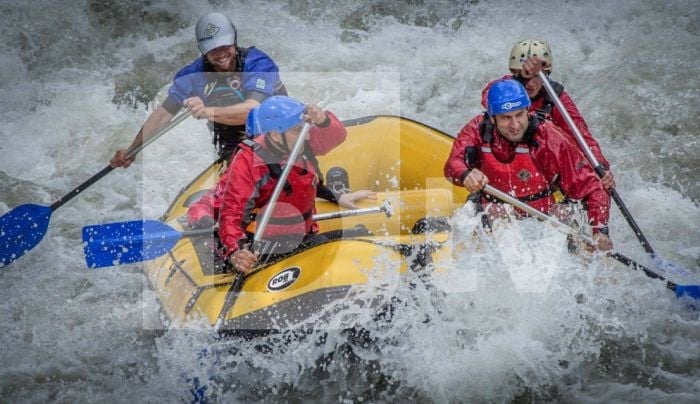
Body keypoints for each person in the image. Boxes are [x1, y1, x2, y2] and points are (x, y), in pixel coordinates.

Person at [445, 79, 613, 251]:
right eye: (506, 118)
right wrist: (466, 174)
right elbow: (452, 164)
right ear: (493, 118)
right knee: (463, 227)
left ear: (528, 110)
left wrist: (600, 230)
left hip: (545, 217)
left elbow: (593, 187)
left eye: (519, 115)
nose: (515, 125)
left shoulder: (550, 138)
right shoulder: (478, 129)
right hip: (494, 211)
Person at [110, 11, 286, 167]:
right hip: (233, 150)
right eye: (213, 50)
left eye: (225, 46)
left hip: (278, 141)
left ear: (234, 39)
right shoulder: (192, 76)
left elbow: (253, 110)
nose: (221, 54)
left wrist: (207, 112)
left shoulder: (259, 64)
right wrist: (132, 150)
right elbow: (162, 115)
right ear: (203, 51)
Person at [186, 107, 377, 230]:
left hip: (303, 234)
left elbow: (298, 183)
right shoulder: (246, 168)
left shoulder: (297, 153)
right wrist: (204, 221)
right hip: (262, 245)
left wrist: (337, 196)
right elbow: (208, 204)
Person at [217, 95, 349, 273]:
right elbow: (232, 212)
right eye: (298, 130)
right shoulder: (248, 161)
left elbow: (337, 136)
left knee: (356, 235)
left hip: (303, 234)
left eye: (306, 128)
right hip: (265, 245)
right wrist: (236, 251)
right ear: (275, 134)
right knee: (322, 247)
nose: (307, 135)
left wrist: (323, 120)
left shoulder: (300, 142)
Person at [481, 39, 615, 189]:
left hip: (542, 169)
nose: (531, 84)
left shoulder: (556, 98)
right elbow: (487, 98)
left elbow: (581, 136)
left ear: (546, 74)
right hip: (505, 160)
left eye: (537, 76)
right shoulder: (502, 88)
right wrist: (521, 80)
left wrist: (601, 166)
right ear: (515, 73)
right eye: (526, 76)